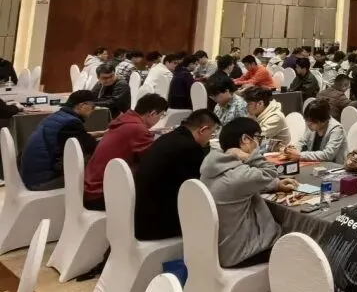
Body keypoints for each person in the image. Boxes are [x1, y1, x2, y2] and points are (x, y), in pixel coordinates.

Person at [200, 117, 298, 268]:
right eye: (258, 138)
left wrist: (276, 185)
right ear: (246, 139)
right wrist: (250, 156)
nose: (259, 144)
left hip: (218, 248)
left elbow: (242, 186)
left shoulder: (212, 167)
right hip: (241, 252)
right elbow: (271, 172)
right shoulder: (239, 176)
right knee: (298, 241)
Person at [134, 109, 219, 240]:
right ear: (203, 130)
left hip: (142, 215)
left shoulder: (166, 138)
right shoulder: (190, 148)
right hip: (158, 225)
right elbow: (195, 189)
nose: (210, 138)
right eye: (212, 133)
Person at [82, 94, 168, 210]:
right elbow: (153, 160)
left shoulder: (123, 121)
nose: (159, 120)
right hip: (102, 194)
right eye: (161, 116)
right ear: (152, 113)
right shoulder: (137, 129)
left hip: (91, 187)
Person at [19, 90, 99, 191]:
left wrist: (102, 133)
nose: (94, 110)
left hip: (32, 175)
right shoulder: (71, 123)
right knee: (97, 167)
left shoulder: (58, 117)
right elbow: (91, 147)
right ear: (82, 105)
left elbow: (81, 137)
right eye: (93, 106)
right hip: (43, 181)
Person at [284, 99, 346, 163]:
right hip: (315, 164)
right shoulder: (312, 125)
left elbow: (328, 155)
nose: (307, 124)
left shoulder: (337, 129)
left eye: (310, 122)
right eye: (306, 120)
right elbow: (303, 141)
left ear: (321, 122)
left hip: (333, 166)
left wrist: (300, 155)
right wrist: (293, 149)